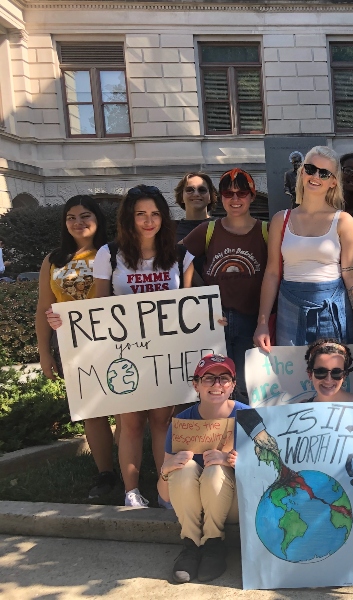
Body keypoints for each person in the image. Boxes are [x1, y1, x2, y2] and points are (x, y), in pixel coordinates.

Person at [91, 185, 188, 508]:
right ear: (129, 219)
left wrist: (213, 319)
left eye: (155, 214)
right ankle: (131, 491)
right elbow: (97, 304)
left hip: (165, 351)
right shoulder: (109, 254)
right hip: (125, 352)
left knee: (162, 420)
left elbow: (194, 303)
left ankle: (165, 488)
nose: (149, 221)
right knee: (130, 422)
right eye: (141, 214)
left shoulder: (179, 254)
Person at [254, 146, 353, 350]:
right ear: (302, 172)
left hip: (332, 307)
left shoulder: (343, 221)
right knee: (292, 378)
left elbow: (351, 274)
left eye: (324, 173)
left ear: (333, 181)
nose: (315, 176)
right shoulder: (280, 220)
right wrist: (262, 323)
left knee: (333, 377)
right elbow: (272, 274)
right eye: (310, 169)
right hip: (289, 306)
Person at [35, 195, 117, 499]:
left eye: (85, 215)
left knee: (122, 408)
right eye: (71, 217)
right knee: (92, 410)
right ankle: (106, 474)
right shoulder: (53, 260)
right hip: (70, 343)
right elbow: (44, 306)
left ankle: (131, 468)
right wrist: (44, 352)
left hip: (112, 338)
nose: (78, 222)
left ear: (98, 220)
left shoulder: (111, 254)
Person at [182, 168, 268, 400]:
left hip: (251, 321)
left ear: (252, 195)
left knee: (246, 388)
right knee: (214, 385)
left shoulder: (266, 231)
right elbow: (176, 258)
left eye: (241, 193)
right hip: (214, 322)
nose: (235, 199)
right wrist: (202, 292)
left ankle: (244, 434)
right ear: (220, 198)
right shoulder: (208, 230)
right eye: (228, 194)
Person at [161, 354, 245, 584]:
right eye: (209, 378)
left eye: (224, 378)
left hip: (235, 503)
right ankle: (191, 544)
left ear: (233, 384)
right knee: (183, 467)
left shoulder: (249, 417)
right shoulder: (181, 422)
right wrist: (165, 469)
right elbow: (165, 495)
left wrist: (235, 461)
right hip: (192, 505)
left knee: (216, 470)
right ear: (195, 384)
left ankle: (214, 544)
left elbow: (269, 473)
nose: (217, 385)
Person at [292, 339, 353, 474]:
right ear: (310, 374)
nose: (328, 380)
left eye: (336, 373)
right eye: (321, 372)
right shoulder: (300, 411)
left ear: (344, 375)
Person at [173, 172, 217, 243]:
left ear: (210, 198)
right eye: (189, 190)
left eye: (202, 190)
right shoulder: (170, 230)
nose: (196, 194)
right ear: (181, 197)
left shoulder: (222, 227)